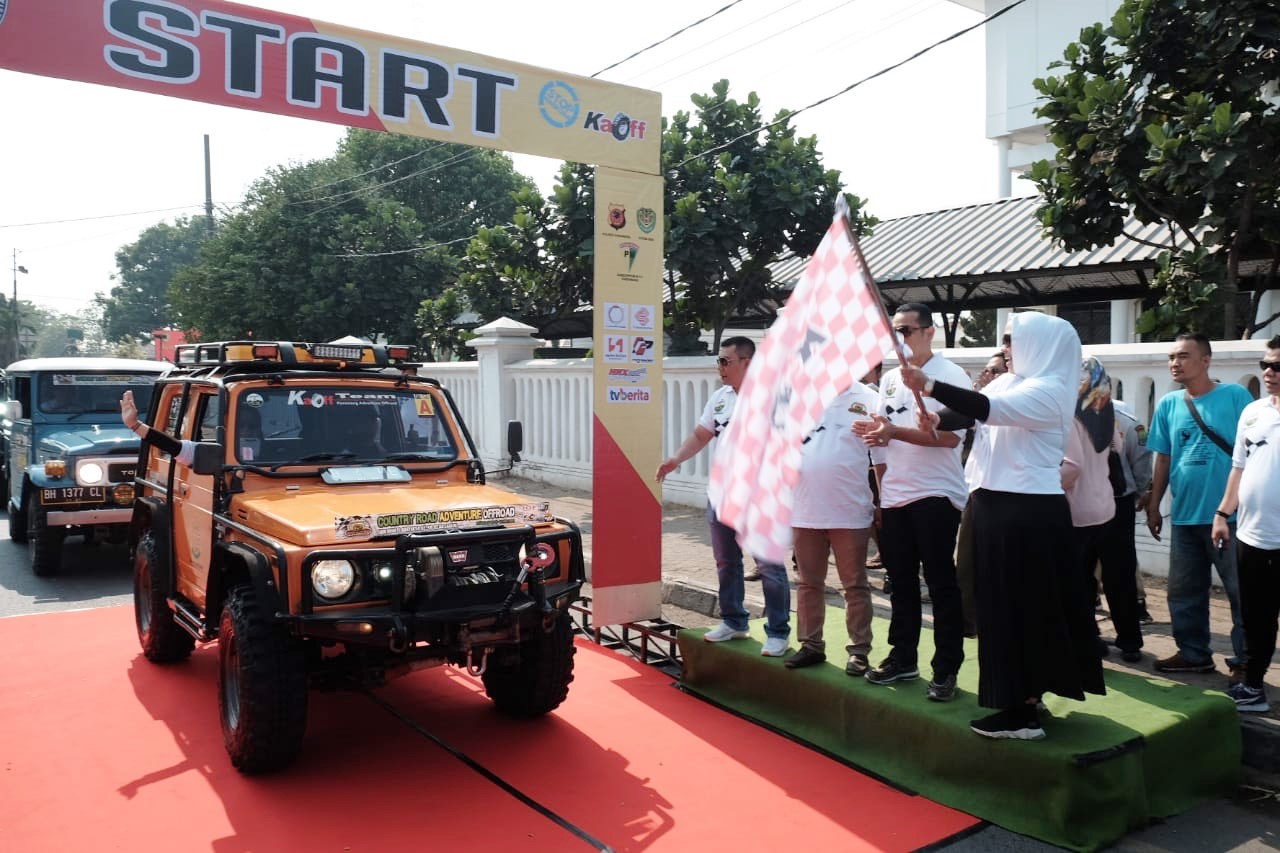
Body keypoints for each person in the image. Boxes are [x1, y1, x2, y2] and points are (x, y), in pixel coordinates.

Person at [903, 311, 1104, 740]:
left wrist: (931, 385)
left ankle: (1022, 711)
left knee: (1022, 611)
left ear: (1041, 345)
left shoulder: (1050, 390)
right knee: (998, 610)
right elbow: (973, 414)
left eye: (1014, 340)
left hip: (1027, 514)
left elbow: (990, 409)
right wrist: (938, 418)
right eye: (1007, 340)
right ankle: (1023, 698)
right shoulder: (1010, 382)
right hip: (996, 505)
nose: (1007, 348)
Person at [853, 303, 969, 702]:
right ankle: (903, 658)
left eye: (906, 331)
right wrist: (876, 436)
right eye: (894, 332)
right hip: (897, 494)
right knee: (899, 582)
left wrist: (894, 432)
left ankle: (946, 668)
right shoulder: (888, 379)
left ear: (929, 332)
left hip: (937, 493)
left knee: (939, 583)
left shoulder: (952, 377)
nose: (899, 340)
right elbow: (884, 440)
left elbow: (953, 439)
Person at [655, 336, 791, 657]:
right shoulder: (721, 397)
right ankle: (734, 621)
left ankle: (778, 631)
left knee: (769, 566)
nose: (720, 368)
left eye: (725, 361)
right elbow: (702, 434)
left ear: (747, 362)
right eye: (718, 361)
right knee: (726, 562)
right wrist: (676, 459)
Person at [1145, 333, 1253, 676]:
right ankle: (1193, 654)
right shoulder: (1168, 404)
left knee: (1242, 594)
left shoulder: (1235, 396)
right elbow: (1163, 457)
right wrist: (1153, 504)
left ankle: (1246, 661)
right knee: (1183, 591)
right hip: (1185, 516)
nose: (1175, 363)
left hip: (1230, 517)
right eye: (1172, 357)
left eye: (1184, 356)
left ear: (1206, 360)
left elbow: (1253, 451)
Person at [784, 383, 884, 676]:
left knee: (854, 584)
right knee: (808, 583)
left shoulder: (868, 397)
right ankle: (811, 645)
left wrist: (884, 499)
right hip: (805, 509)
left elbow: (879, 455)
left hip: (849, 510)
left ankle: (859, 651)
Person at [1212, 337, 1280, 713]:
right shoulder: (1253, 412)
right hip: (1252, 535)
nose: (1269, 372)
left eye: (1277, 367)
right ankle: (1253, 686)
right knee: (1256, 617)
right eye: (1265, 364)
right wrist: (1223, 514)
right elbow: (1239, 467)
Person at [1061, 358, 1141, 663]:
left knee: (1089, 578)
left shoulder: (1071, 417)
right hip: (1111, 505)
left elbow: (1138, 456)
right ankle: (1125, 641)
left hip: (1082, 508)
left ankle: (1095, 640)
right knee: (1116, 575)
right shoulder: (1107, 414)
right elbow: (1122, 451)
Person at [955, 350, 1008, 637]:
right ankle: (966, 622)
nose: (986, 376)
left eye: (995, 371)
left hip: (1009, 497)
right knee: (966, 563)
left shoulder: (1016, 404)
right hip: (975, 493)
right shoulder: (976, 407)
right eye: (986, 371)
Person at [120, 389, 196, 465]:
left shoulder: (203, 453)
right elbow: (176, 448)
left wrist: (135, 425)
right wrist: (134, 424)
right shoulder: (201, 452)